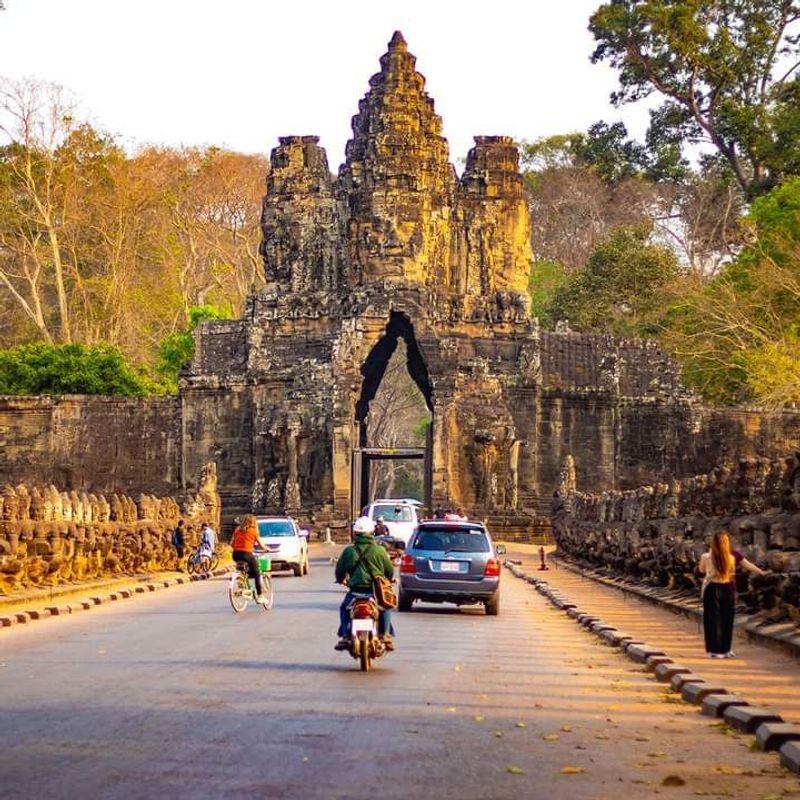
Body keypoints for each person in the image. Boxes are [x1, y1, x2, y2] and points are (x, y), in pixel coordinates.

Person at [334, 516, 396, 652]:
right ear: (372, 533)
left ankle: (345, 635)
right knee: (385, 607)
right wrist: (388, 580)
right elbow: (389, 570)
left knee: (344, 609)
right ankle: (385, 634)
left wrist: (340, 579)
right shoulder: (379, 550)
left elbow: (339, 571)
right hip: (375, 592)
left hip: (355, 592)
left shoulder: (349, 551)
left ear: (355, 533)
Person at [698, 531, 736, 658]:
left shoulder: (706, 556)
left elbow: (701, 570)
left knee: (712, 619)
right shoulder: (731, 558)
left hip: (712, 587)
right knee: (727, 619)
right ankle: (726, 649)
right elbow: (731, 573)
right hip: (727, 587)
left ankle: (714, 650)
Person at [231, 515, 267, 602]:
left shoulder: (237, 530)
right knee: (257, 573)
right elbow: (261, 545)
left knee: (244, 571)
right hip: (247, 554)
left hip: (235, 554)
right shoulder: (253, 531)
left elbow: (232, 543)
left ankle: (243, 587)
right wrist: (267, 549)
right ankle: (260, 596)